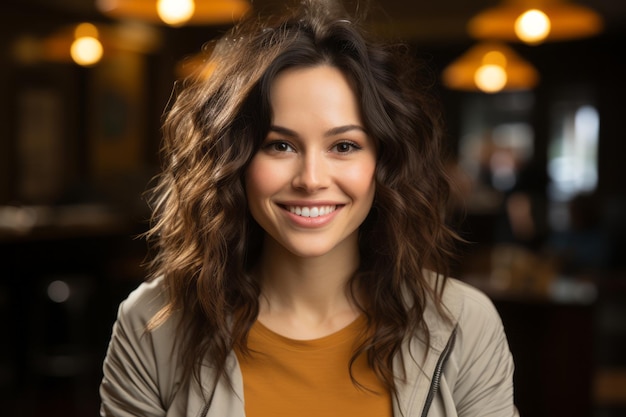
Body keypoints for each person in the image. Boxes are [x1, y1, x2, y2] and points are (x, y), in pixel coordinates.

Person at [99, 1, 518, 416]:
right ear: (237, 161)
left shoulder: (465, 324)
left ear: (383, 163)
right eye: (280, 145)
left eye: (344, 146)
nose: (311, 178)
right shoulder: (153, 323)